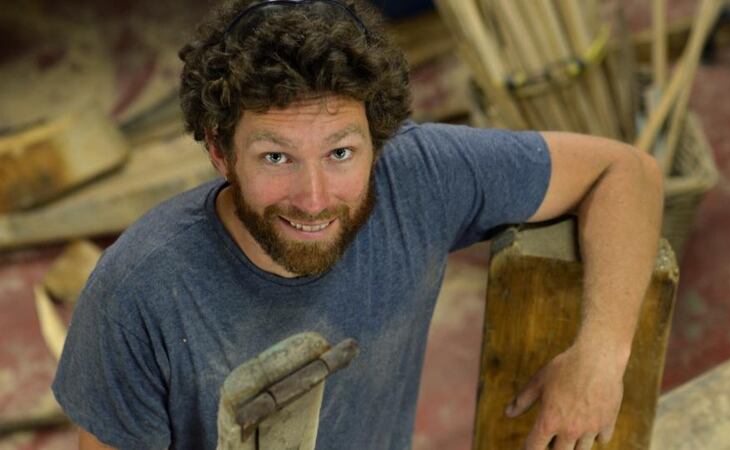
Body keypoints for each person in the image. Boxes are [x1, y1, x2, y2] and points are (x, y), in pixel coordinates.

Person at [52, 1, 663, 449]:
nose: (315, 198)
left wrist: (601, 356)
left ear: (377, 140)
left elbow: (626, 173)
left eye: (341, 153)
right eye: (275, 157)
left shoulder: (418, 175)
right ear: (219, 151)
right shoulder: (139, 291)